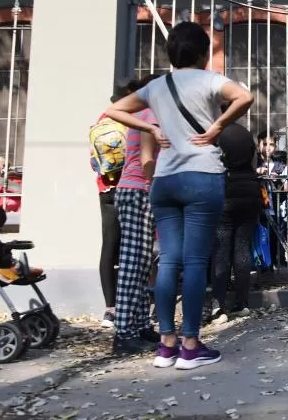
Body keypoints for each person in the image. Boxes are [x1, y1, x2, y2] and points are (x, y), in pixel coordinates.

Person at [105, 21, 253, 370]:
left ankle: (166, 345)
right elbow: (244, 97)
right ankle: (190, 345)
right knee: (197, 260)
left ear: (170, 54)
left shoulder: (157, 86)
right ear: (204, 53)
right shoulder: (210, 79)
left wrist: (150, 127)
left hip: (165, 180)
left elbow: (113, 110)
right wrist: (217, 126)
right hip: (202, 176)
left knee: (169, 259)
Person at [111, 75, 161, 355]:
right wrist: (156, 189)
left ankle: (140, 325)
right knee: (133, 263)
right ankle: (124, 332)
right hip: (139, 190)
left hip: (134, 190)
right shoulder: (150, 114)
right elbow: (146, 160)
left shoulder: (142, 113)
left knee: (141, 262)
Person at [211, 110, 263, 322]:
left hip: (227, 190)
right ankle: (242, 303)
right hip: (250, 190)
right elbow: (253, 165)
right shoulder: (245, 134)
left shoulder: (217, 134)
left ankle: (218, 305)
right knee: (243, 247)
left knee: (222, 251)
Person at [93, 85, 129, 329]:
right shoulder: (130, 120)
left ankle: (110, 309)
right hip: (130, 187)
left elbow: (95, 163)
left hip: (106, 189)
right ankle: (129, 304)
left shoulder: (102, 121)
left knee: (109, 245)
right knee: (133, 246)